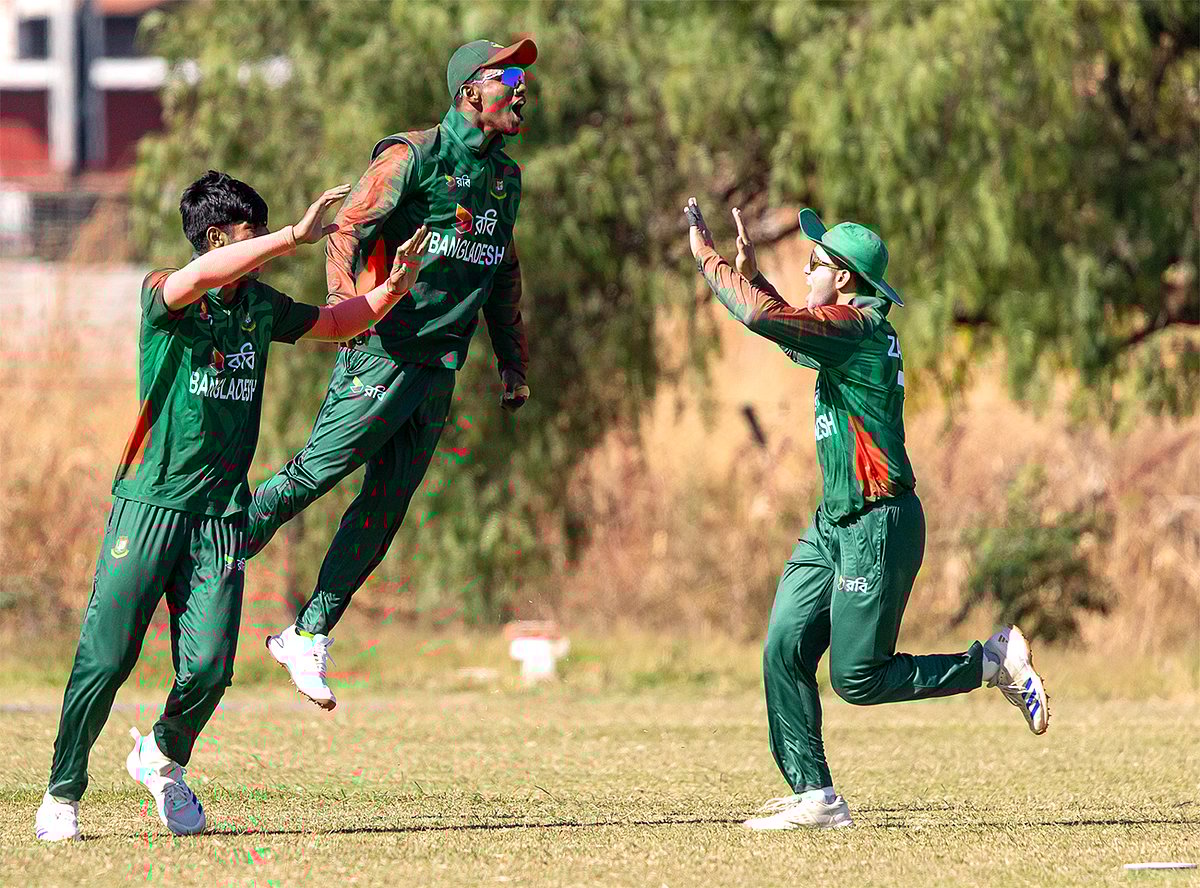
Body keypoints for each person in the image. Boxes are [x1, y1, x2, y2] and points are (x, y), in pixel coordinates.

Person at [34, 171, 430, 841]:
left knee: (213, 668)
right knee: (105, 658)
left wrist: (392, 288)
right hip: (149, 506)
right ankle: (62, 794)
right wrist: (292, 238)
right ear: (219, 238)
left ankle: (160, 756)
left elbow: (335, 323)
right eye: (248, 236)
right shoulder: (167, 295)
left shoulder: (260, 307)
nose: (259, 253)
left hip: (219, 518)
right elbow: (199, 276)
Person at [684, 197, 1049, 831]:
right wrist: (759, 279)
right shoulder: (847, 329)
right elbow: (791, 326)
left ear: (844, 278)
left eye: (813, 262)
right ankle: (817, 798)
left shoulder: (858, 331)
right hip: (835, 523)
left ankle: (992, 663)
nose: (806, 271)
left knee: (857, 678)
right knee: (782, 646)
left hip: (879, 523)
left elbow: (765, 320)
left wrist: (710, 260)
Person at [247, 38, 536, 711]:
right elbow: (346, 230)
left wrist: (512, 362)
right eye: (508, 75)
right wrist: (346, 313)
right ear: (470, 90)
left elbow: (503, 271)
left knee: (384, 508)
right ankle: (218, 547)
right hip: (382, 351)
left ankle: (309, 633)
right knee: (318, 472)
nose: (522, 88)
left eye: (523, 75)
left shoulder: (506, 179)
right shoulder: (413, 156)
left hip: (438, 369)